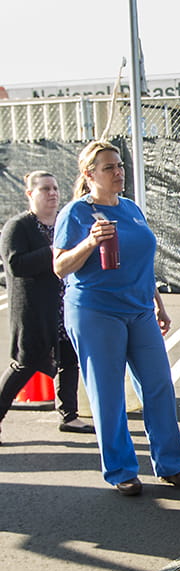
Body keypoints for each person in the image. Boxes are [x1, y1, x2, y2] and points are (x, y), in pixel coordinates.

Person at [53, 140, 180, 496]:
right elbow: (60, 266)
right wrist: (89, 243)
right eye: (109, 168)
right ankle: (121, 470)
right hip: (95, 310)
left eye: (120, 166)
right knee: (108, 395)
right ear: (89, 175)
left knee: (159, 386)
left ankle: (171, 464)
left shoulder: (131, 208)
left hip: (139, 310)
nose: (119, 172)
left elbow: (143, 263)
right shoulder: (76, 213)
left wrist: (159, 304)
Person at [0, 172, 93, 443]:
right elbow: (17, 264)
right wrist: (55, 251)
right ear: (30, 194)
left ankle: (69, 416)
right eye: (44, 189)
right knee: (25, 364)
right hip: (33, 311)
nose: (52, 193)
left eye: (54, 188)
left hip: (65, 307)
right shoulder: (18, 226)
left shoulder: (63, 221)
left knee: (68, 361)